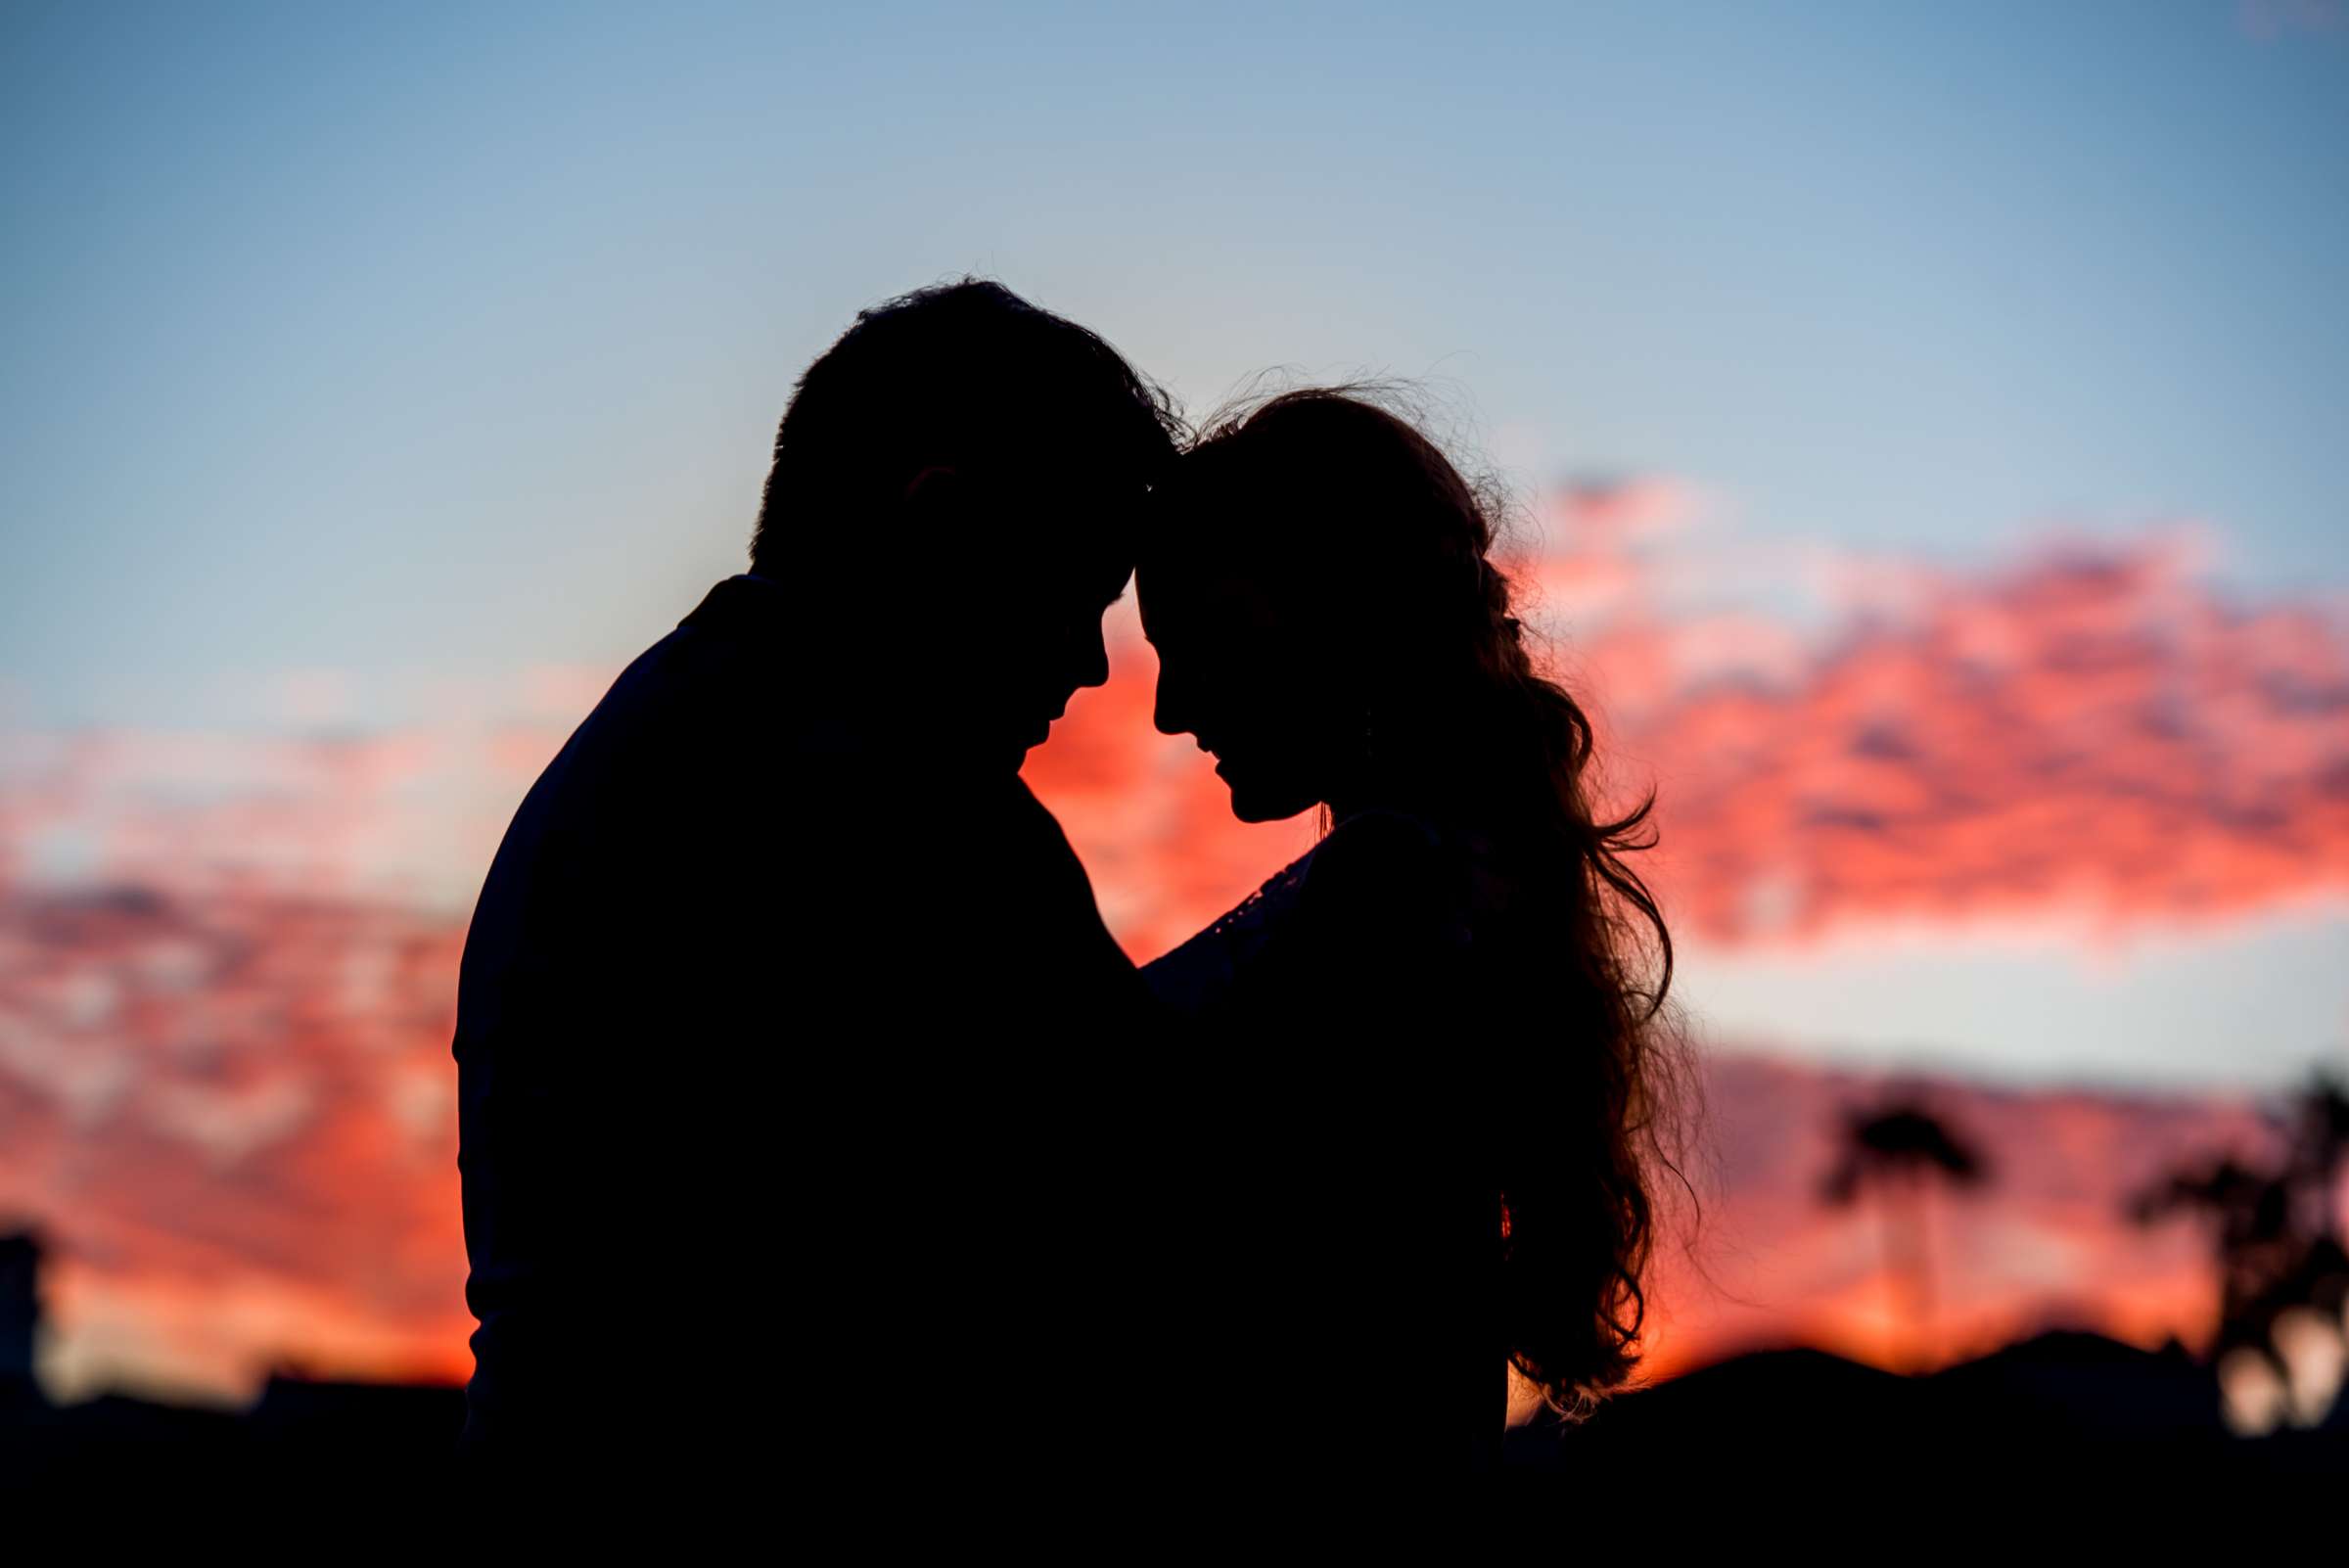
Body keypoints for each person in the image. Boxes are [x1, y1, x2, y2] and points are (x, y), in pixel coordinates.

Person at [450, 280, 1182, 1514]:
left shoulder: (675, 738)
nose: (1090, 663)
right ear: (942, 528)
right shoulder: (898, 804)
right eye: (1076, 596)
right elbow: (1155, 1184)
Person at [1135, 387, 1696, 1503]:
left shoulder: (1388, 894)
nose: (1168, 708)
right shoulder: (1444, 876)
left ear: (1345, 616)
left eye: (1203, 639)